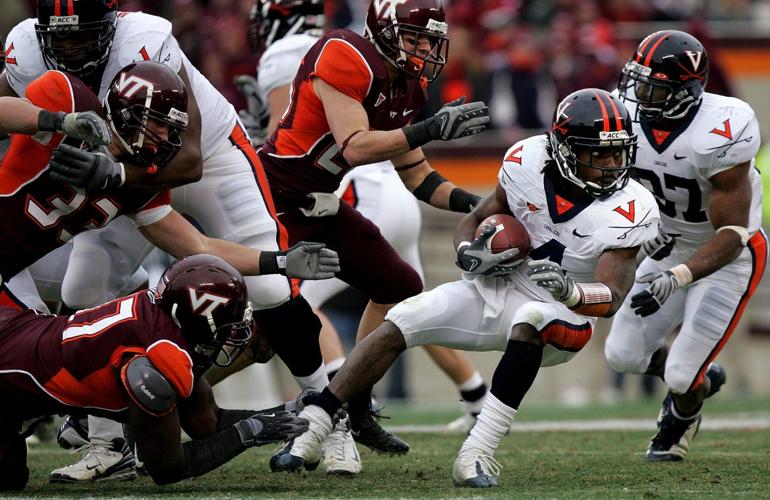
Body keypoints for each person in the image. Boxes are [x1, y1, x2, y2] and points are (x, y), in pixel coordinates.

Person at [1, 0, 336, 481]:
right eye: (152, 125)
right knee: (67, 314)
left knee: (91, 307)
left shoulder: (143, 181)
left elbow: (198, 244)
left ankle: (96, 432)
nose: (162, 137)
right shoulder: (63, 97)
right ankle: (74, 423)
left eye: (169, 128)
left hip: (18, 271)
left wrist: (279, 262)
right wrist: (53, 121)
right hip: (16, 267)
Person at [273, 88, 660, 487]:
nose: (613, 164)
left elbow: (611, 297)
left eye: (618, 152)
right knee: (400, 317)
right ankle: (317, 423)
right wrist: (470, 253)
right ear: (562, 148)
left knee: (532, 317)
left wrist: (570, 292)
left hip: (564, 313)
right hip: (498, 286)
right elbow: (473, 220)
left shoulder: (632, 205)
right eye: (597, 153)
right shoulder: (526, 161)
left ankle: (477, 453)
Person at [232, 0, 490, 474]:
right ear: (384, 30)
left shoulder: (409, 84)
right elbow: (356, 143)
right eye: (415, 38)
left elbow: (418, 177)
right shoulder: (344, 53)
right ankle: (162, 406)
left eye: (431, 40)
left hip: (322, 203)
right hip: (274, 200)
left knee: (401, 285)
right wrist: (428, 128)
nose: (426, 49)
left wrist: (478, 205)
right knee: (263, 320)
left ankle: (351, 401)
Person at [0, 254, 310, 491]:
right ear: (200, 321)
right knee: (9, 479)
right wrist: (250, 432)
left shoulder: (162, 321)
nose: (235, 335)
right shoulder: (153, 369)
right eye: (228, 325)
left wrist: (289, 412)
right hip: (8, 369)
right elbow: (167, 469)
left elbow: (208, 422)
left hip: (20, 336)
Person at [605, 30, 766, 462]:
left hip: (728, 255)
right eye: (637, 80)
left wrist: (678, 277)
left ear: (685, 92)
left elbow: (732, 233)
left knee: (679, 372)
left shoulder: (722, 127)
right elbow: (610, 185)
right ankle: (701, 377)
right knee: (622, 354)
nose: (638, 93)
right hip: (666, 244)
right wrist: (640, 225)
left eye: (652, 85)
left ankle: (683, 411)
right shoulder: (627, 114)